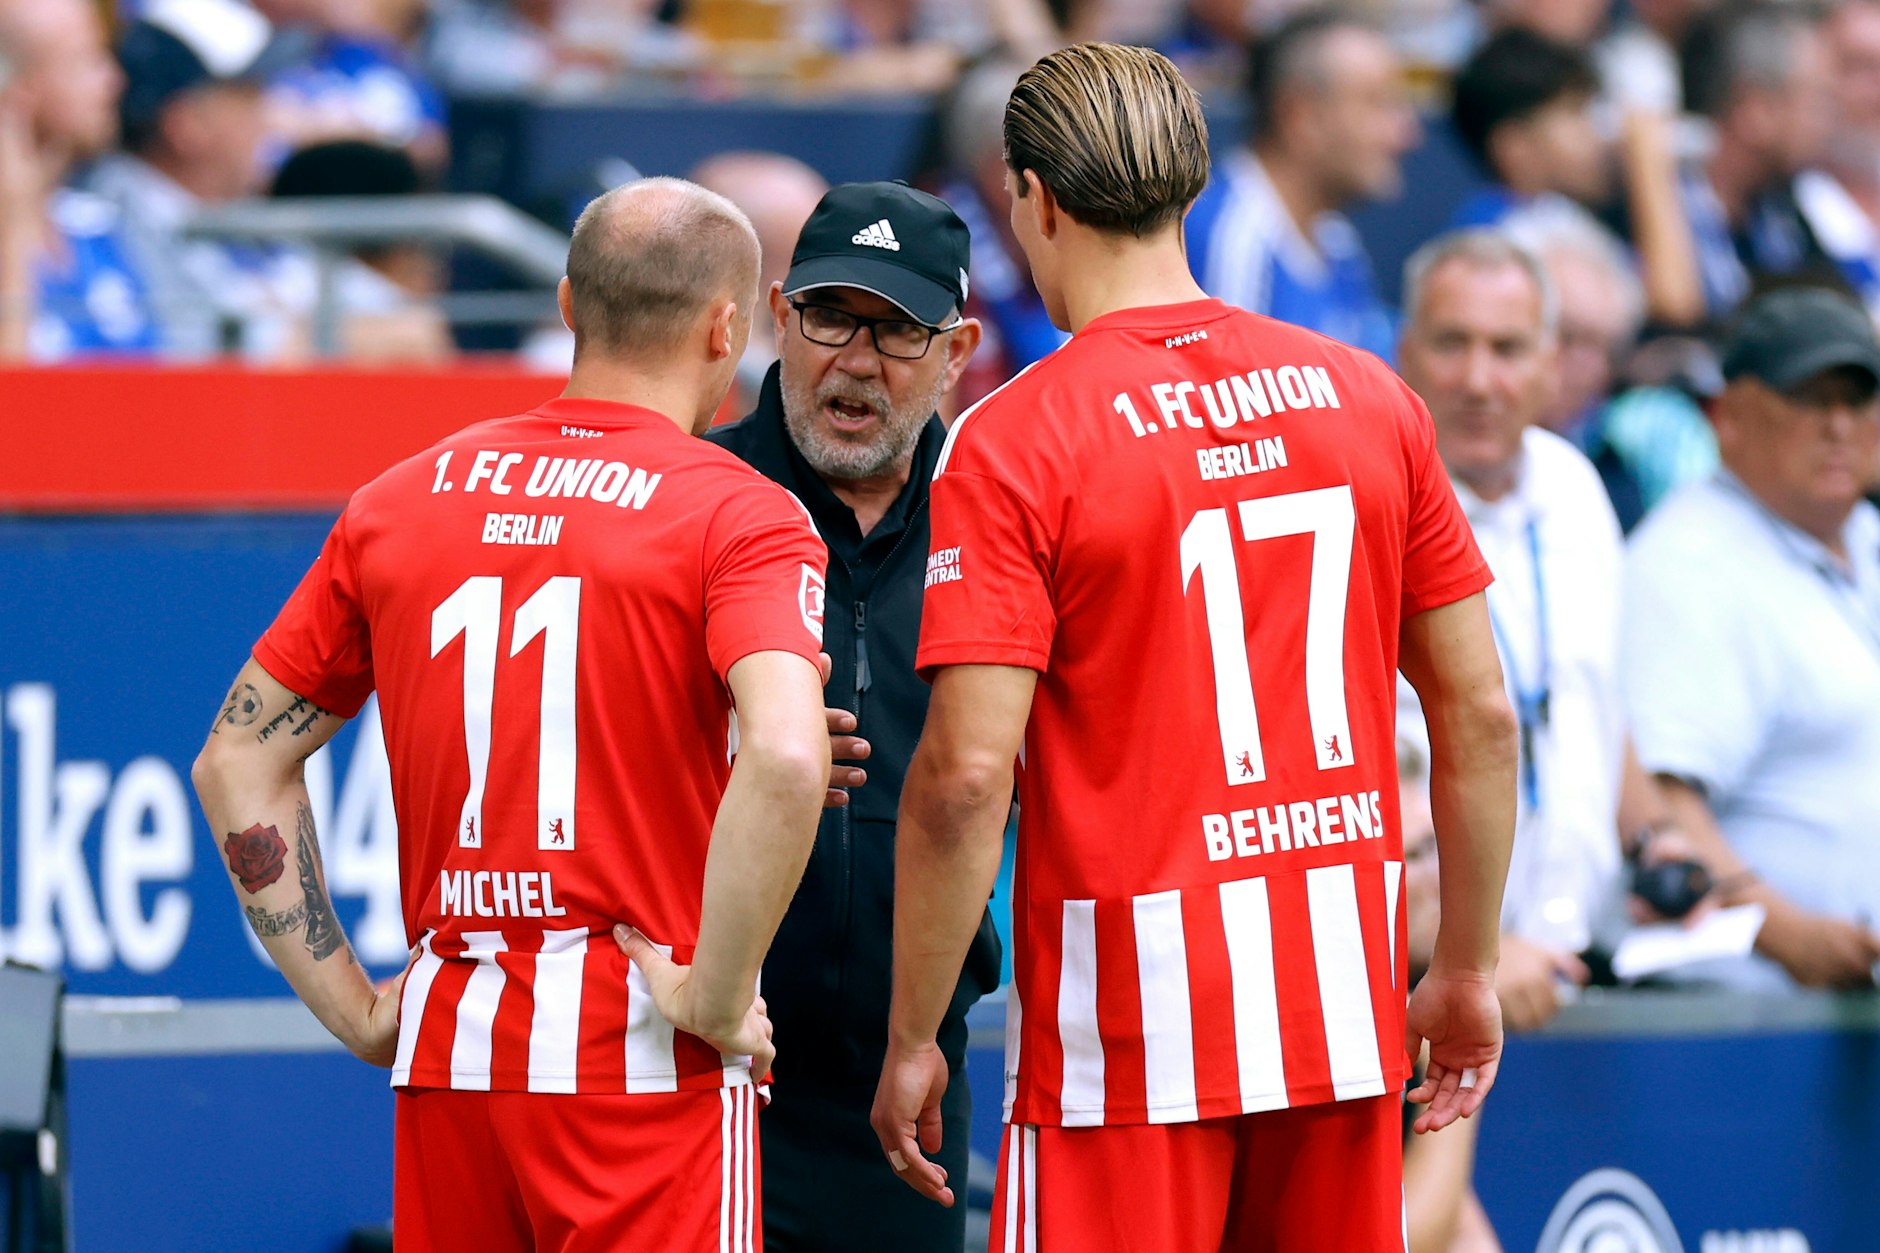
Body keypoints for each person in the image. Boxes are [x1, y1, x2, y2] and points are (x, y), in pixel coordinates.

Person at [871, 43, 1519, 1250]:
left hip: (1125, 1040)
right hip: (1335, 1012)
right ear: (1194, 185)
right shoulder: (1366, 394)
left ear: (1032, 198)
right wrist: (1467, 964)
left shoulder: (1015, 436)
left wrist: (918, 1033)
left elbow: (964, 777)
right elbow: (1478, 715)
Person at [190, 177, 833, 1251]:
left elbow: (235, 760)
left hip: (454, 1046)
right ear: (729, 327)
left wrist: (354, 1004)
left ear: (570, 307)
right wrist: (717, 994)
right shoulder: (738, 512)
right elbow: (783, 753)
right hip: (633, 1042)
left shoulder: (398, 500)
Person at [707, 178, 999, 1253]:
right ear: (777, 314)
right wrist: (732, 757)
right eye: (830, 315)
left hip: (909, 1072)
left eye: (898, 330)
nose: (856, 359)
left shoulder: (1003, 513)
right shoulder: (699, 494)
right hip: (705, 1055)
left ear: (958, 348)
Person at [1396, 229, 1632, 1031]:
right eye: (1452, 344)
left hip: (1577, 969)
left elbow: (1597, 699)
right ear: (1403, 351)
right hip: (1429, 982)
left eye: (1507, 348)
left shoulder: (1577, 489)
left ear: (1551, 363)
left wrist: (1660, 839)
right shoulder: (1362, 504)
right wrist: (1478, 947)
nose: (1478, 379)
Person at [1623, 285, 1880, 992]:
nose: (1837, 425)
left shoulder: (1861, 532)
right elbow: (1658, 799)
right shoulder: (1690, 561)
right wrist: (1788, 932)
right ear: (1729, 416)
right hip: (1733, 1022)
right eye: (1807, 398)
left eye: (1856, 399)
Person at [1184, 10, 1418, 360]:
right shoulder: (1231, 242)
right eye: (1378, 104)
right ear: (1300, 116)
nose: (1406, 134)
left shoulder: (1337, 240)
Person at [87, 0, 306, 358]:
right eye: (248, 96)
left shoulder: (238, 207)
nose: (271, 118)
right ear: (187, 124)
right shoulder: (111, 218)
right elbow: (189, 358)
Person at [0, 0, 159, 361]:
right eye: (87, 60)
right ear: (17, 87)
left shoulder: (94, 224)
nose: (114, 81)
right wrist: (15, 225)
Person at [1448, 27, 1611, 232]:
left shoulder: (1577, 219)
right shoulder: (1498, 238)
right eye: (1575, 112)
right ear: (1516, 147)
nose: (1598, 133)